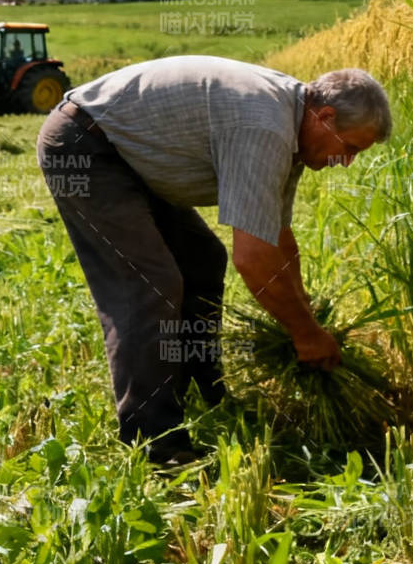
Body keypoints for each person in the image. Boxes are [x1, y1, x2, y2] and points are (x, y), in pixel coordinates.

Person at [34, 56, 391, 464]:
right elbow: (254, 258)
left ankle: (201, 387)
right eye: (349, 148)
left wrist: (304, 311)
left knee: (203, 259)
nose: (346, 162)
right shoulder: (265, 125)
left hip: (129, 155)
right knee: (151, 284)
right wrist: (305, 335)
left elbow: (276, 238)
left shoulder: (294, 127)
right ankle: (154, 441)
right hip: (87, 148)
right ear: (325, 116)